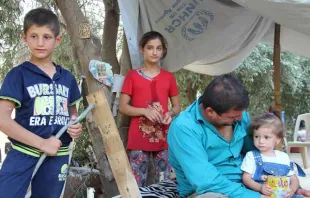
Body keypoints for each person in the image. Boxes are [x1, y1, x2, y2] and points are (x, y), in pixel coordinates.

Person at [168, 74, 310, 198]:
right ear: (210, 112)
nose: (241, 118)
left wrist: (292, 188)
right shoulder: (184, 128)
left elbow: (262, 154)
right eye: (233, 116)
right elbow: (206, 181)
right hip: (210, 191)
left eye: (241, 113)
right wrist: (256, 197)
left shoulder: (239, 117)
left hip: (252, 183)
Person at [0, 8, 82, 198]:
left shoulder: (67, 78)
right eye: (34, 36)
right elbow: (2, 119)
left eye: (46, 37)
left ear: (57, 40)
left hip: (57, 155)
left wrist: (76, 125)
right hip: (23, 152)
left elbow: (72, 114)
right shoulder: (18, 75)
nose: (40, 43)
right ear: (24, 37)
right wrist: (42, 143)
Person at [119, 31, 180, 186]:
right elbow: (123, 107)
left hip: (163, 137)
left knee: (165, 183)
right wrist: (145, 111)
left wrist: (170, 114)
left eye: (159, 48)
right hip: (138, 138)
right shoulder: (132, 76)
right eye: (150, 48)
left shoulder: (169, 77)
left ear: (163, 51)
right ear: (142, 49)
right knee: (137, 185)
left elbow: (177, 107)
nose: (154, 52)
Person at [241, 110, 302, 198]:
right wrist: (260, 187)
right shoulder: (251, 156)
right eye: (257, 136)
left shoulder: (283, 157)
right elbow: (246, 178)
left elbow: (294, 178)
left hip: (283, 195)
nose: (261, 141)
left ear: (277, 139)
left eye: (266, 137)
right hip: (262, 195)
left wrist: (292, 190)